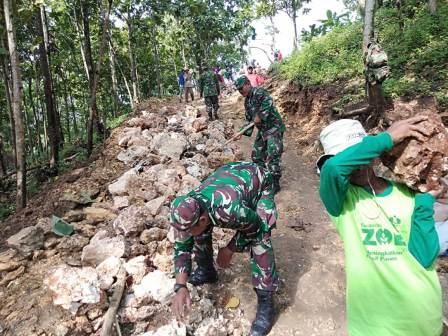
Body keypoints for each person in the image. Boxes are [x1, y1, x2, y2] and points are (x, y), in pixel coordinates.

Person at [317, 117, 443, 336]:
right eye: (349, 157)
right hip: (372, 326)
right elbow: (334, 169)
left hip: (422, 318)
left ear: (372, 157)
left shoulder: (408, 194)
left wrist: (425, 203)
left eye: (358, 154)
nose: (354, 166)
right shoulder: (341, 202)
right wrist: (387, 138)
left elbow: (425, 256)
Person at [170, 162, 279, 336]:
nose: (185, 234)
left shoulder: (228, 209)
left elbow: (255, 227)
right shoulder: (188, 208)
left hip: (259, 182)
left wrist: (229, 249)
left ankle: (266, 302)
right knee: (198, 234)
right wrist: (180, 286)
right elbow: (182, 246)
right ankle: (207, 271)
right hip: (229, 177)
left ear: (204, 219)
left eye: (188, 230)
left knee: (260, 240)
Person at [235, 76, 285, 193]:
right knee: (257, 156)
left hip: (274, 127)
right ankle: (264, 178)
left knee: (273, 155)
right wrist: (241, 132)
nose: (240, 92)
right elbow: (249, 120)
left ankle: (275, 182)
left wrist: (260, 115)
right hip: (263, 131)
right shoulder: (247, 101)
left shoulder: (259, 92)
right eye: (238, 90)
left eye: (241, 88)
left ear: (248, 84)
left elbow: (268, 102)